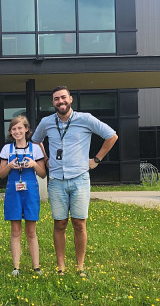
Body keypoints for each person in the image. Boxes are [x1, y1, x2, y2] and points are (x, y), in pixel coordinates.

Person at [32, 85, 118, 277]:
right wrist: (45, 158)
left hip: (79, 179)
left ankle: (80, 267)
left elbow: (111, 136)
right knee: (59, 224)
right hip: (56, 181)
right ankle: (61, 266)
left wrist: (96, 160)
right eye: (56, 99)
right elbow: (36, 140)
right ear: (53, 102)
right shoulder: (47, 122)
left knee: (79, 224)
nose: (60, 101)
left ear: (70, 99)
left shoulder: (85, 119)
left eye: (63, 97)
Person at [0, 115, 46, 277]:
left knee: (31, 230)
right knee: (15, 230)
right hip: (13, 191)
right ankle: (16, 267)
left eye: (20, 128)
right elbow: (1, 174)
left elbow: (42, 174)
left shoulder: (36, 148)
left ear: (26, 129)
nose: (17, 131)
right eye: (13, 129)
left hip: (30, 191)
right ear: (10, 132)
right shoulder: (7, 149)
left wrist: (33, 164)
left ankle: (36, 266)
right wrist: (10, 166)